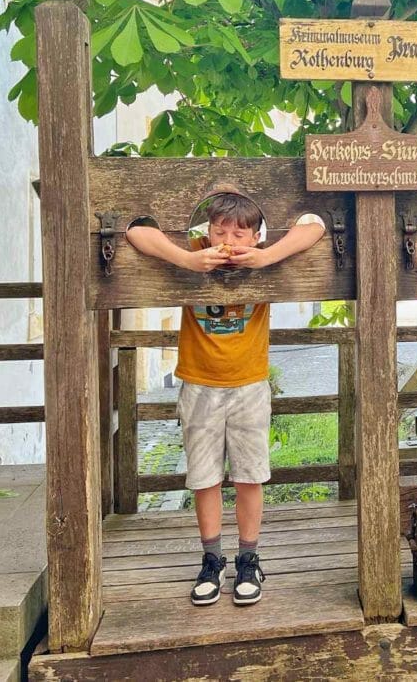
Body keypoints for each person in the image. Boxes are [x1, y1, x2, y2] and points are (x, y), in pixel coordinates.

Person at [126, 188, 324, 607]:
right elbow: (135, 229)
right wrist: (187, 261)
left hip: (250, 385)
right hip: (198, 385)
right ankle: (211, 560)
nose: (228, 242)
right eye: (220, 231)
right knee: (205, 478)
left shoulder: (267, 256)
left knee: (251, 475)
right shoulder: (194, 250)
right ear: (207, 231)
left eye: (239, 234)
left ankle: (249, 558)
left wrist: (266, 258)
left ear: (256, 236)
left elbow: (317, 225)